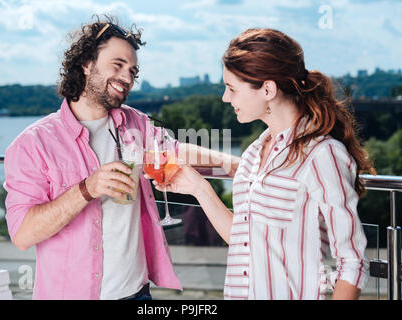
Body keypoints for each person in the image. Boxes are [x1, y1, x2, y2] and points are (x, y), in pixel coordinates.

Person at [3, 15, 238, 300]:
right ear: (86, 64)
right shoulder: (33, 144)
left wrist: (239, 165)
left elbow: (174, 151)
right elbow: (22, 234)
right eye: (118, 65)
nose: (128, 78)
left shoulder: (135, 123)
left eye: (132, 71)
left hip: (137, 293)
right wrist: (87, 189)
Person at [150, 28, 376, 300]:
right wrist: (199, 188)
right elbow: (242, 241)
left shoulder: (322, 154)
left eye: (231, 88)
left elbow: (352, 262)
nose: (225, 98)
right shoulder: (254, 154)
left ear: (268, 89)